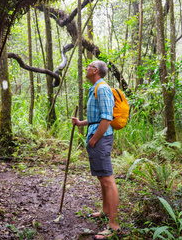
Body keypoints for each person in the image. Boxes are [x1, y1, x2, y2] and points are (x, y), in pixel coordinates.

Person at [71, 60, 120, 239]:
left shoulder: (103, 89)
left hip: (101, 138)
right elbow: (97, 118)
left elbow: (107, 118)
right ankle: (106, 211)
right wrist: (80, 123)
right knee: (102, 177)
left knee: (108, 179)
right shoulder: (95, 88)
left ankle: (114, 225)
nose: (85, 68)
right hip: (96, 136)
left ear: (95, 70)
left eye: (88, 66)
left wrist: (94, 140)